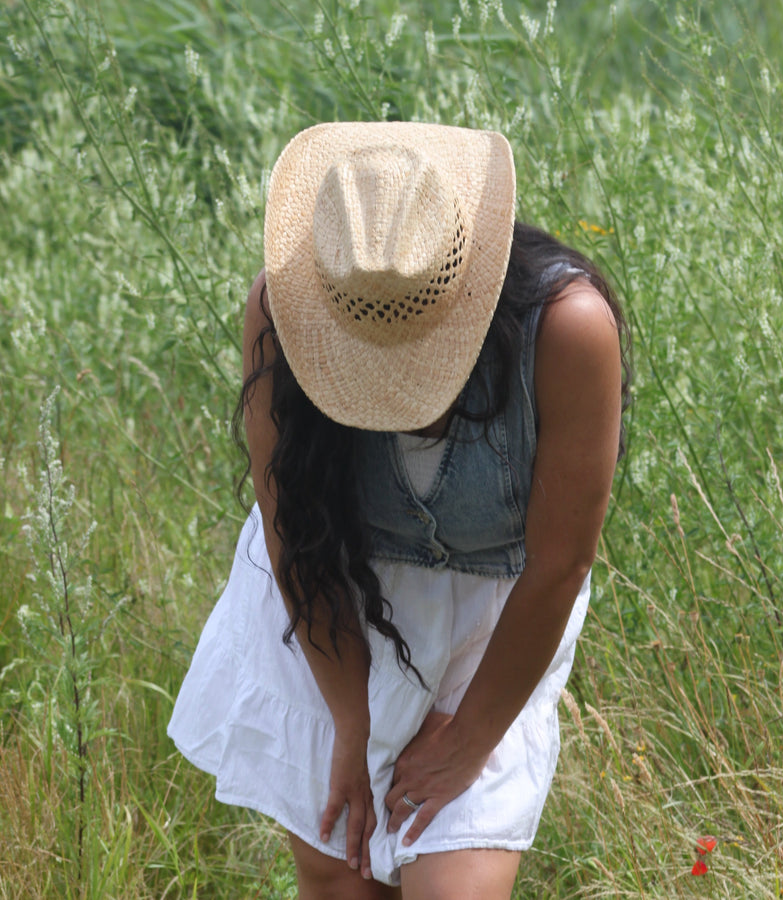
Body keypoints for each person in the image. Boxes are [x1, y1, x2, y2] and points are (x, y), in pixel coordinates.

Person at [168, 121, 630, 899]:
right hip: (333, 604)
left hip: (497, 625)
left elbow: (559, 564)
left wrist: (473, 737)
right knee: (342, 885)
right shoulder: (283, 312)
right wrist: (350, 719)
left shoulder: (568, 331)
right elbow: (291, 531)